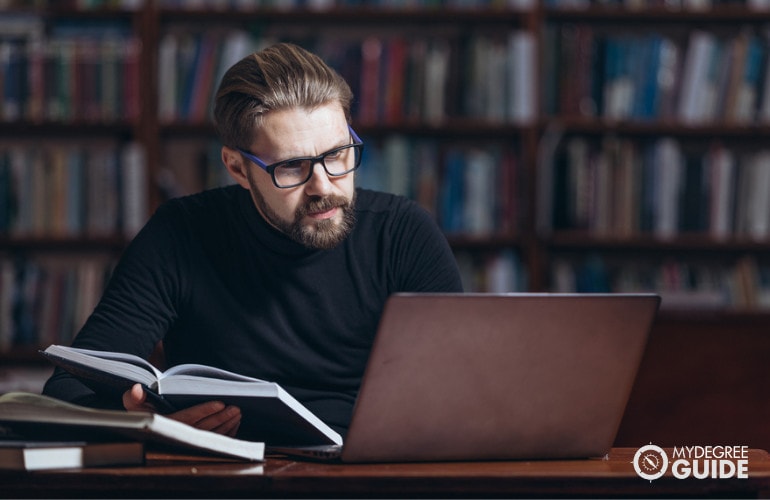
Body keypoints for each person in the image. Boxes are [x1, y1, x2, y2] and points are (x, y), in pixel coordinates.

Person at [43, 42, 464, 439]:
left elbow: (464, 390)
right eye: (293, 166)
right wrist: (140, 423)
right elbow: (67, 388)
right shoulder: (181, 233)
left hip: (372, 474)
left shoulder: (403, 233)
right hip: (228, 475)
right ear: (237, 168)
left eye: (337, 154)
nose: (324, 186)